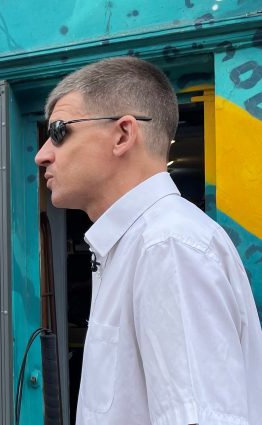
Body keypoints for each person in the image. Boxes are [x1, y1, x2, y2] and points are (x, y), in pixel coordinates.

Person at [34, 56, 262, 425]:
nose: (42, 154)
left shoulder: (167, 246)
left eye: (59, 131)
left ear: (123, 135)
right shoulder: (137, 243)